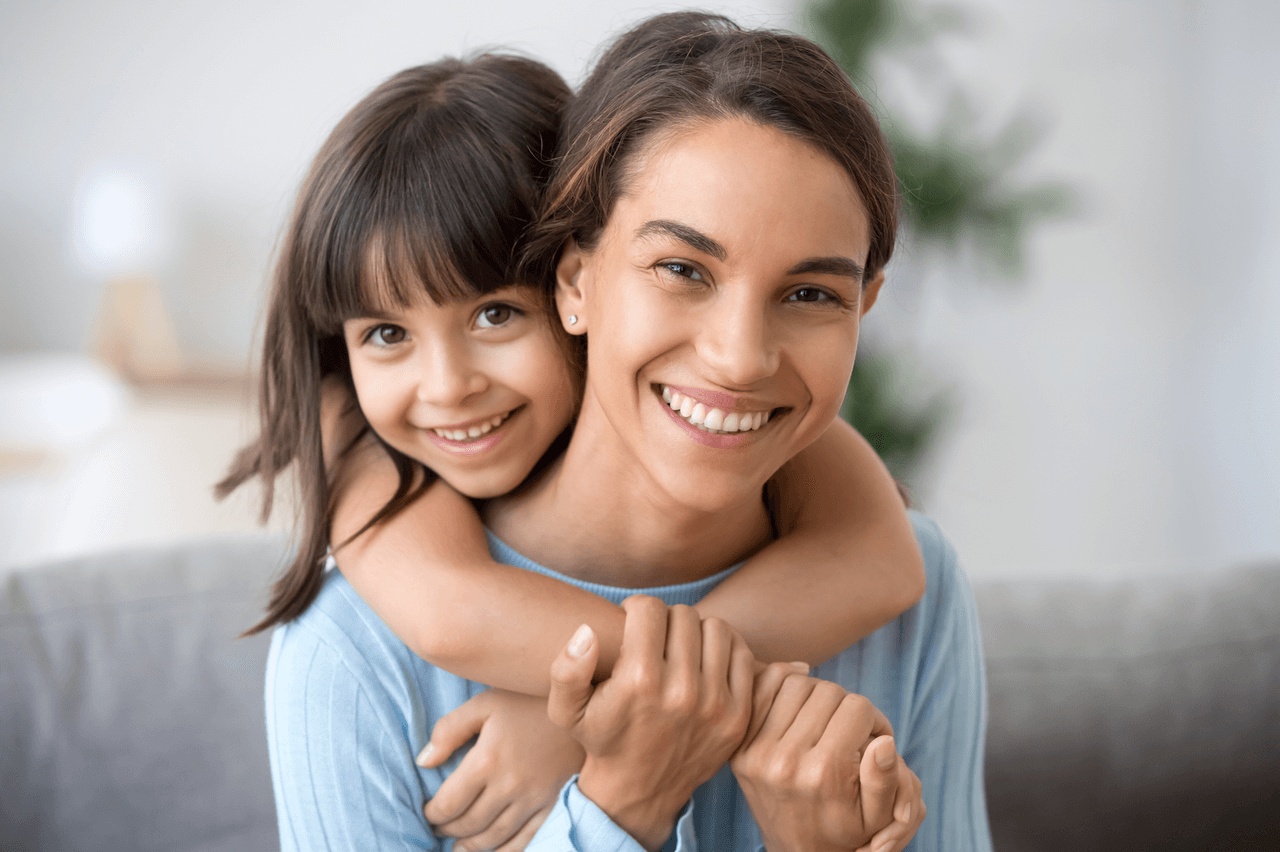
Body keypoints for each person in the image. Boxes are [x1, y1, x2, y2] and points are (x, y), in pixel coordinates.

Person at [221, 48, 931, 851]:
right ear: (577, 282)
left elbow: (889, 558)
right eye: (386, 334)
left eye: (494, 315)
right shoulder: (354, 628)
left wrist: (591, 708)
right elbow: (446, 612)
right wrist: (619, 788)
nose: (448, 386)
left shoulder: (883, 553)